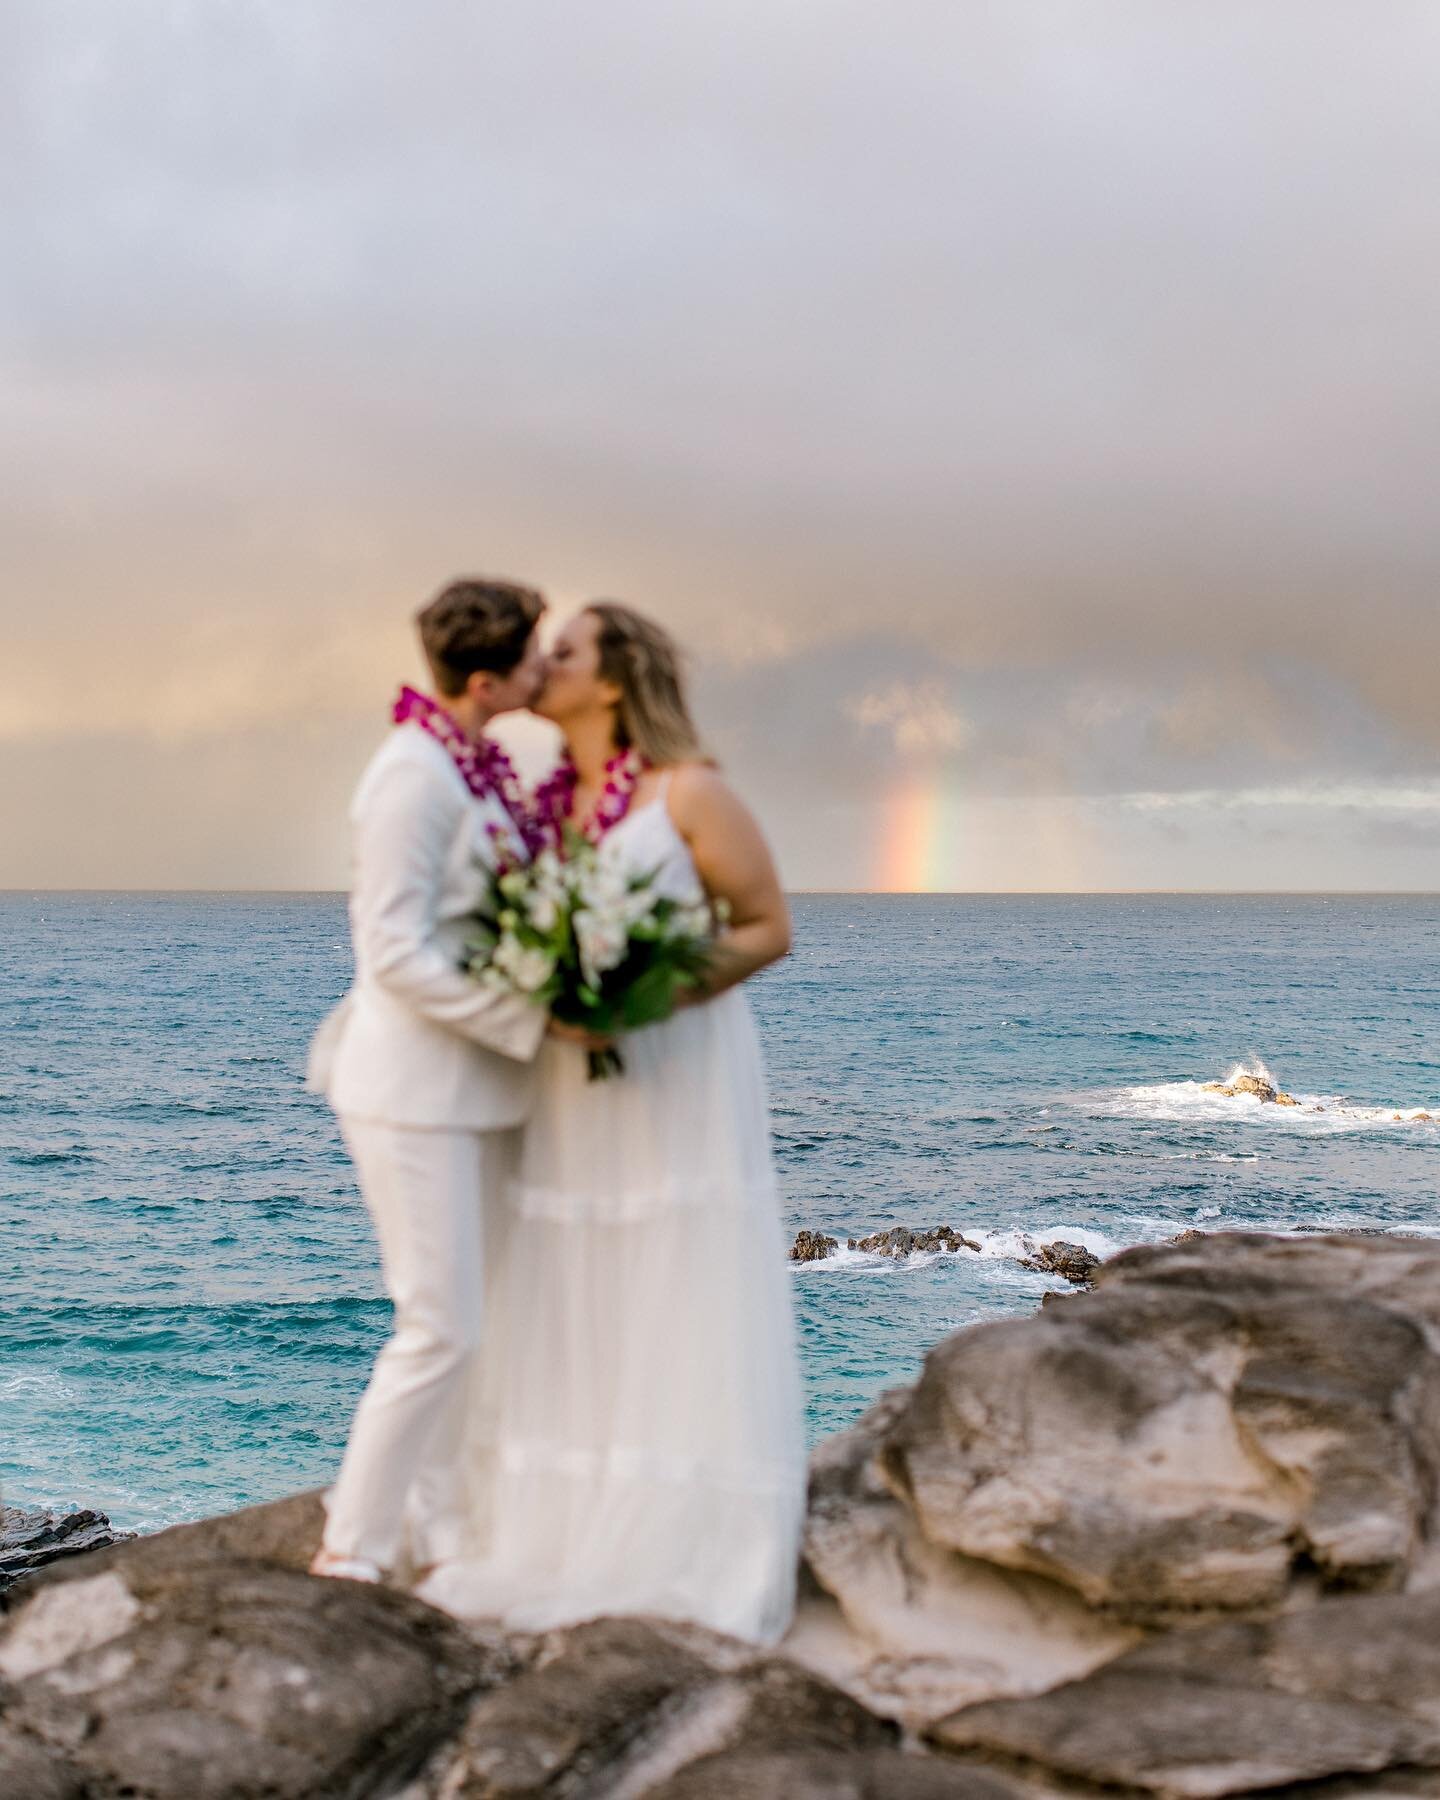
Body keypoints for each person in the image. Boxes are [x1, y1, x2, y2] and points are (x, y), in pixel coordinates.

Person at [419, 602, 807, 1643]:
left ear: (614, 679)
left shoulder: (690, 793)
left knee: (668, 1264)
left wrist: (652, 991)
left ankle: (674, 1532)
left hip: (673, 1064)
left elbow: (769, 927)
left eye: (565, 652)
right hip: (566, 1080)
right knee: (565, 1273)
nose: (540, 664)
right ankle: (559, 1522)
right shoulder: (551, 808)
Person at [305, 576, 553, 1582]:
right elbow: (394, 952)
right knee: (437, 1324)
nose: (547, 669)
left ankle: (444, 1529)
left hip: (475, 1090)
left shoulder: (477, 771)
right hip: (409, 1092)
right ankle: (351, 1550)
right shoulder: (412, 776)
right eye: (535, 656)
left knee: (476, 1325)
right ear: (490, 678)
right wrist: (532, 1019)